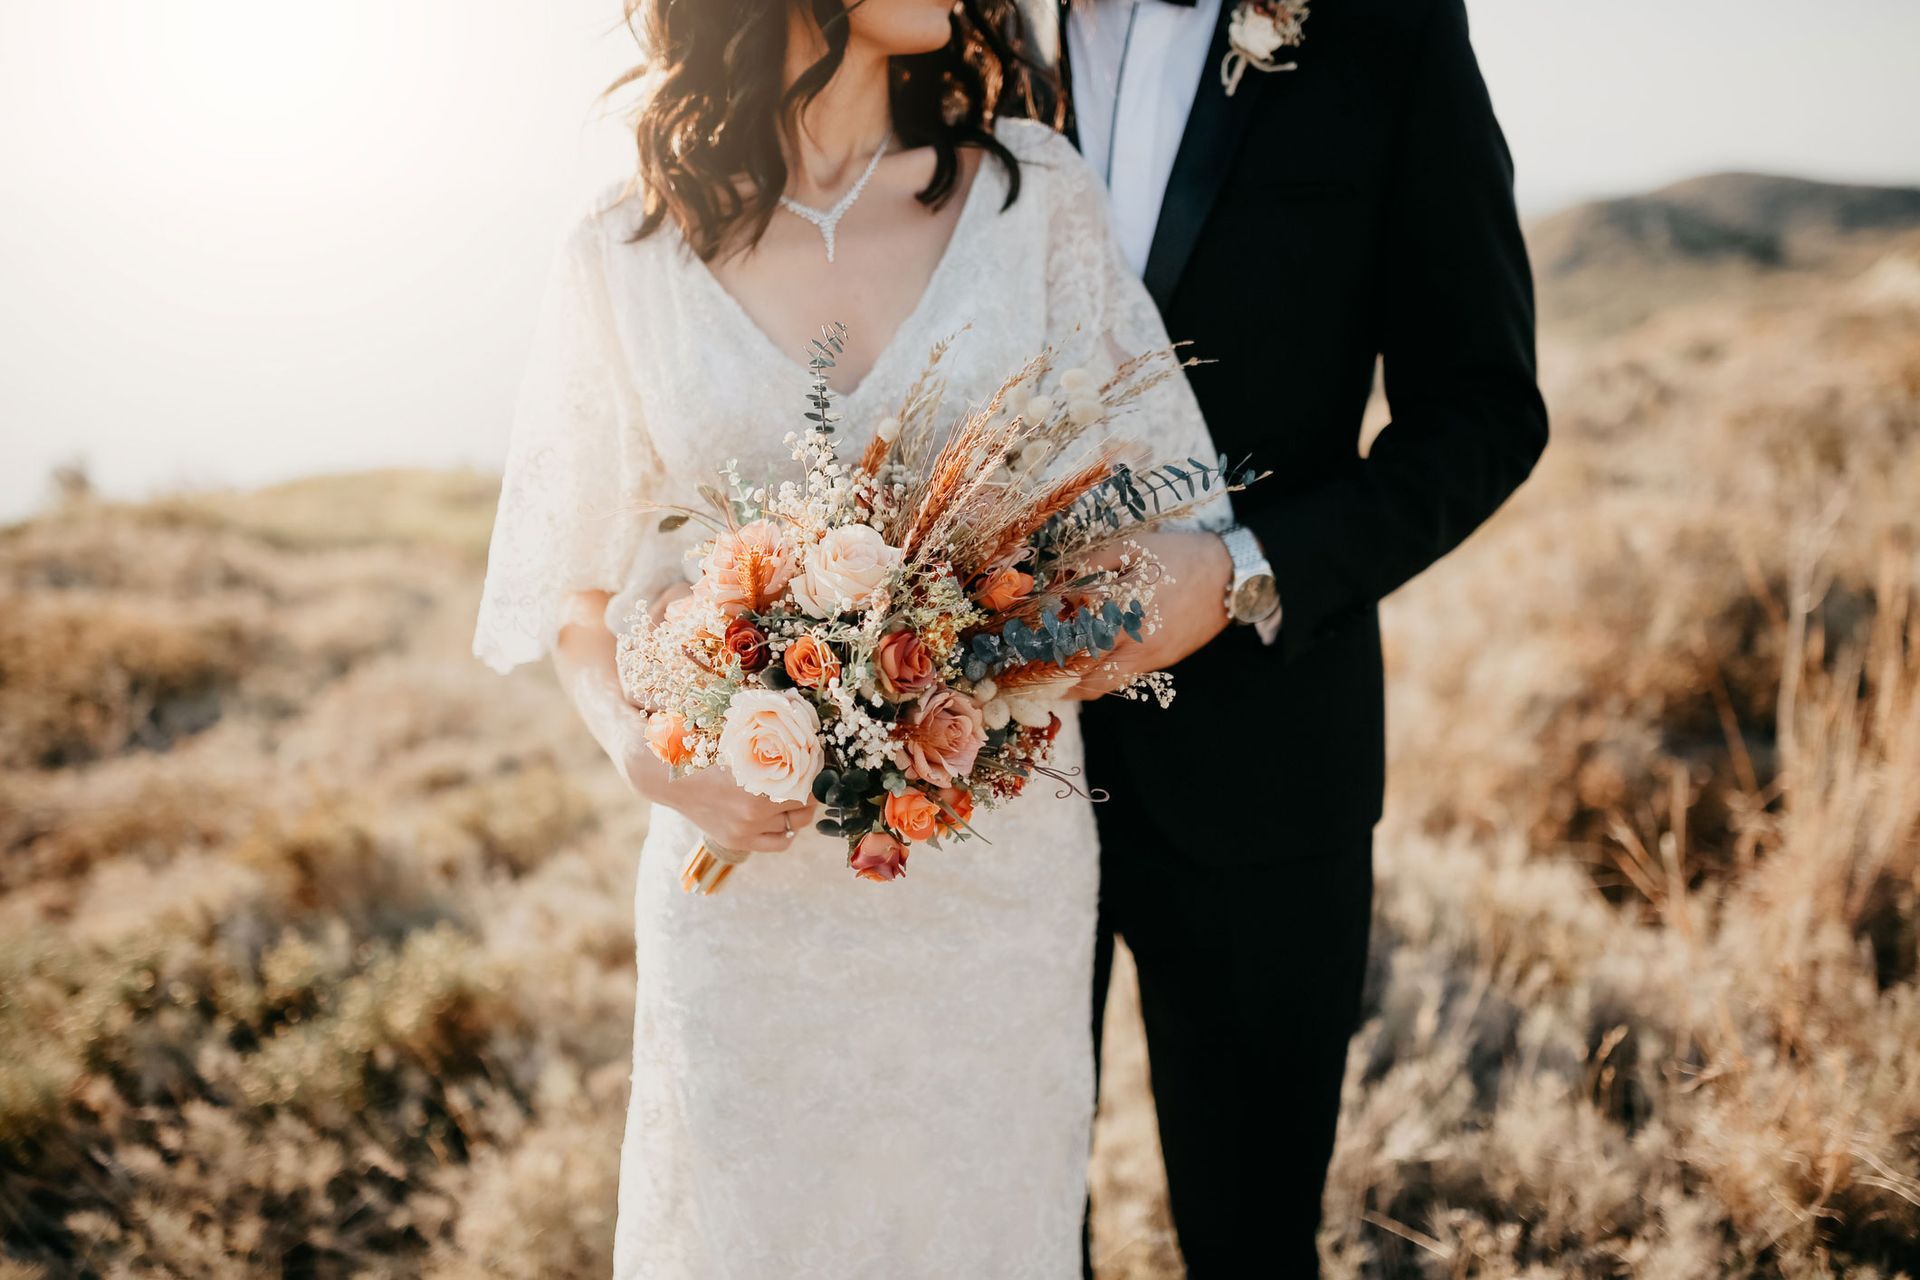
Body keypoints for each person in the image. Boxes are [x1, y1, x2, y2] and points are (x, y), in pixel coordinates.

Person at [471, 1, 1229, 1274]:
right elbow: (577, 593)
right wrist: (646, 755)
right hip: (745, 894)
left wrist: (985, 649)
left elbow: (1176, 510)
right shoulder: (626, 249)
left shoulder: (1029, 196)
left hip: (997, 887)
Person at [1058, 0, 1551, 1274]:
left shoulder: (1386, 29)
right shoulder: (957, 36)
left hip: (1264, 771)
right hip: (981, 775)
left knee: (1253, 1241)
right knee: (993, 1228)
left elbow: (1483, 413)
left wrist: (1241, 572)